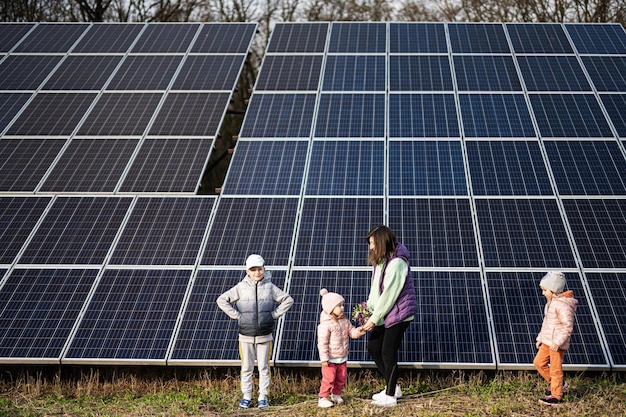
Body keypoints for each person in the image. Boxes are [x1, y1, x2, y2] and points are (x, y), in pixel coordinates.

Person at [216, 254, 294, 409]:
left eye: (260, 269)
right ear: (247, 271)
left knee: (264, 367)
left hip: (265, 336)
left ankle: (263, 397)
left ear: (264, 269)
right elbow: (221, 300)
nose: (257, 272)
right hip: (245, 336)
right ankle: (246, 396)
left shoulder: (270, 287)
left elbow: (288, 299)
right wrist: (238, 316)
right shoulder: (240, 287)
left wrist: (273, 315)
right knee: (246, 367)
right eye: (253, 269)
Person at [359, 225, 418, 407]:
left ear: (382, 241)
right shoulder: (381, 261)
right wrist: (367, 311)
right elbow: (376, 290)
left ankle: (391, 396)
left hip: (399, 314)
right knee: (374, 347)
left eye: (372, 243)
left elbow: (390, 294)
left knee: (387, 352)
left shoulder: (397, 263)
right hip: (385, 312)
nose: (370, 247)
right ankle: (393, 386)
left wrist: (374, 319)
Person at [534, 271, 578, 407]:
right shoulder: (550, 303)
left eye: (545, 290)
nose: (543, 293)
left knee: (555, 369)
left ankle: (557, 395)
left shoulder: (564, 306)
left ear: (553, 290)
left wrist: (557, 342)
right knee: (538, 363)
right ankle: (558, 384)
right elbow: (546, 324)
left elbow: (567, 327)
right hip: (547, 342)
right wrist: (540, 338)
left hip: (556, 345)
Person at [317, 288, 365, 408]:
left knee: (341, 378)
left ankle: (336, 394)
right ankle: (323, 397)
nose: (342, 308)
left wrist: (359, 331)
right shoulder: (326, 324)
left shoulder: (344, 321)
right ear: (330, 308)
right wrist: (324, 358)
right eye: (339, 306)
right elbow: (322, 343)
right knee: (329, 379)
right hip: (330, 359)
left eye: (342, 305)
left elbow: (352, 332)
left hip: (342, 357)